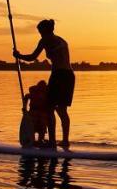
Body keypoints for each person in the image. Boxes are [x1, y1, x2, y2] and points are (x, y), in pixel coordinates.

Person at [15, 19, 74, 148]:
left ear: (46, 30)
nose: (40, 34)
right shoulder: (62, 40)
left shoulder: (45, 40)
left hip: (59, 75)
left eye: (41, 32)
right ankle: (65, 141)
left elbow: (32, 57)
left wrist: (18, 56)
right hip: (69, 75)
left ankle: (53, 142)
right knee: (62, 110)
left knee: (50, 108)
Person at [22, 79, 51, 147]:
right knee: (33, 127)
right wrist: (24, 108)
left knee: (42, 127)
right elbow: (26, 97)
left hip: (41, 114)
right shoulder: (33, 93)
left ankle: (40, 140)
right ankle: (34, 140)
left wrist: (24, 107)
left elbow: (26, 97)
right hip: (33, 113)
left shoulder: (45, 93)